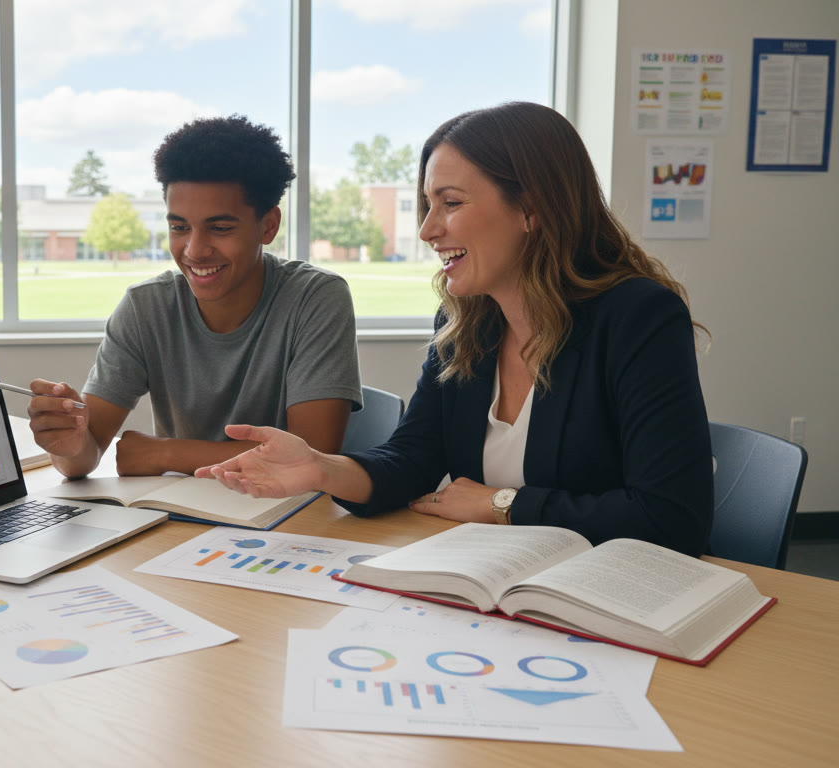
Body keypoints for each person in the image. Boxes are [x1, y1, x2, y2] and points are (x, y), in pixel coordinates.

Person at [195, 102, 714, 556]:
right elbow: (411, 460)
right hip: (501, 587)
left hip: (606, 598)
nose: (427, 230)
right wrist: (321, 469)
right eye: (427, 205)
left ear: (531, 209)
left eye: (451, 203)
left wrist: (500, 504)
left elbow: (671, 518)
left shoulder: (639, 316)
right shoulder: (467, 324)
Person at [28, 115, 363, 479]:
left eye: (219, 228)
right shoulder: (146, 309)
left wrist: (165, 453)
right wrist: (69, 443)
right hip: (181, 522)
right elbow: (83, 457)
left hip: (288, 520)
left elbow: (312, 456)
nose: (195, 250)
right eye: (179, 228)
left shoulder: (315, 299)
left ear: (268, 225)